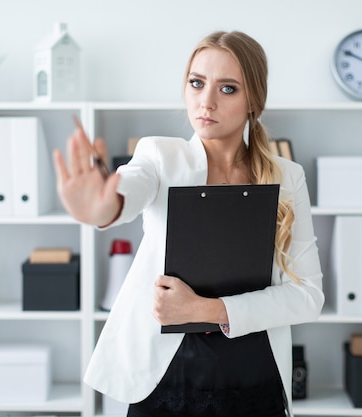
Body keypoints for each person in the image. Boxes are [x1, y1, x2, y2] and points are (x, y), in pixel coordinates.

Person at [53, 30, 324, 417]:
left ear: (254, 101)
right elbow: (130, 188)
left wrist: (205, 308)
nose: (206, 101)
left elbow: (308, 297)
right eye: (197, 83)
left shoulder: (287, 176)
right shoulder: (160, 155)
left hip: (253, 374)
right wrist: (101, 209)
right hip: (165, 375)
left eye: (227, 89)